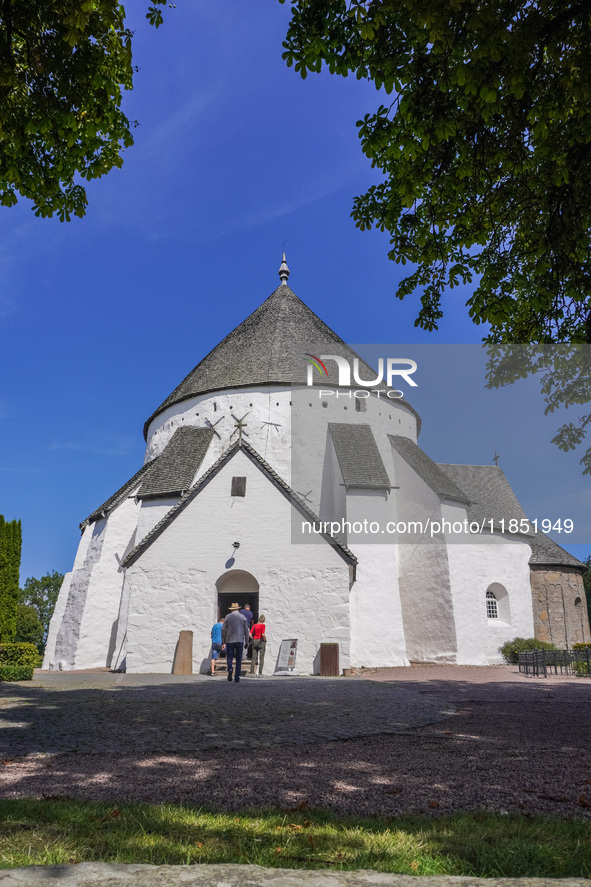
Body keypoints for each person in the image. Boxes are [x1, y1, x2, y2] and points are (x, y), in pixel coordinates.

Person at [222, 602, 249, 683]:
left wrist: (224, 639)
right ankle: (237, 677)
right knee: (238, 659)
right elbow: (246, 630)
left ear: (231, 610)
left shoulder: (227, 617)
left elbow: (223, 629)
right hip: (240, 640)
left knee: (229, 657)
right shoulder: (242, 617)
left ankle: (230, 668)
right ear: (238, 609)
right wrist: (247, 641)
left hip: (230, 640)